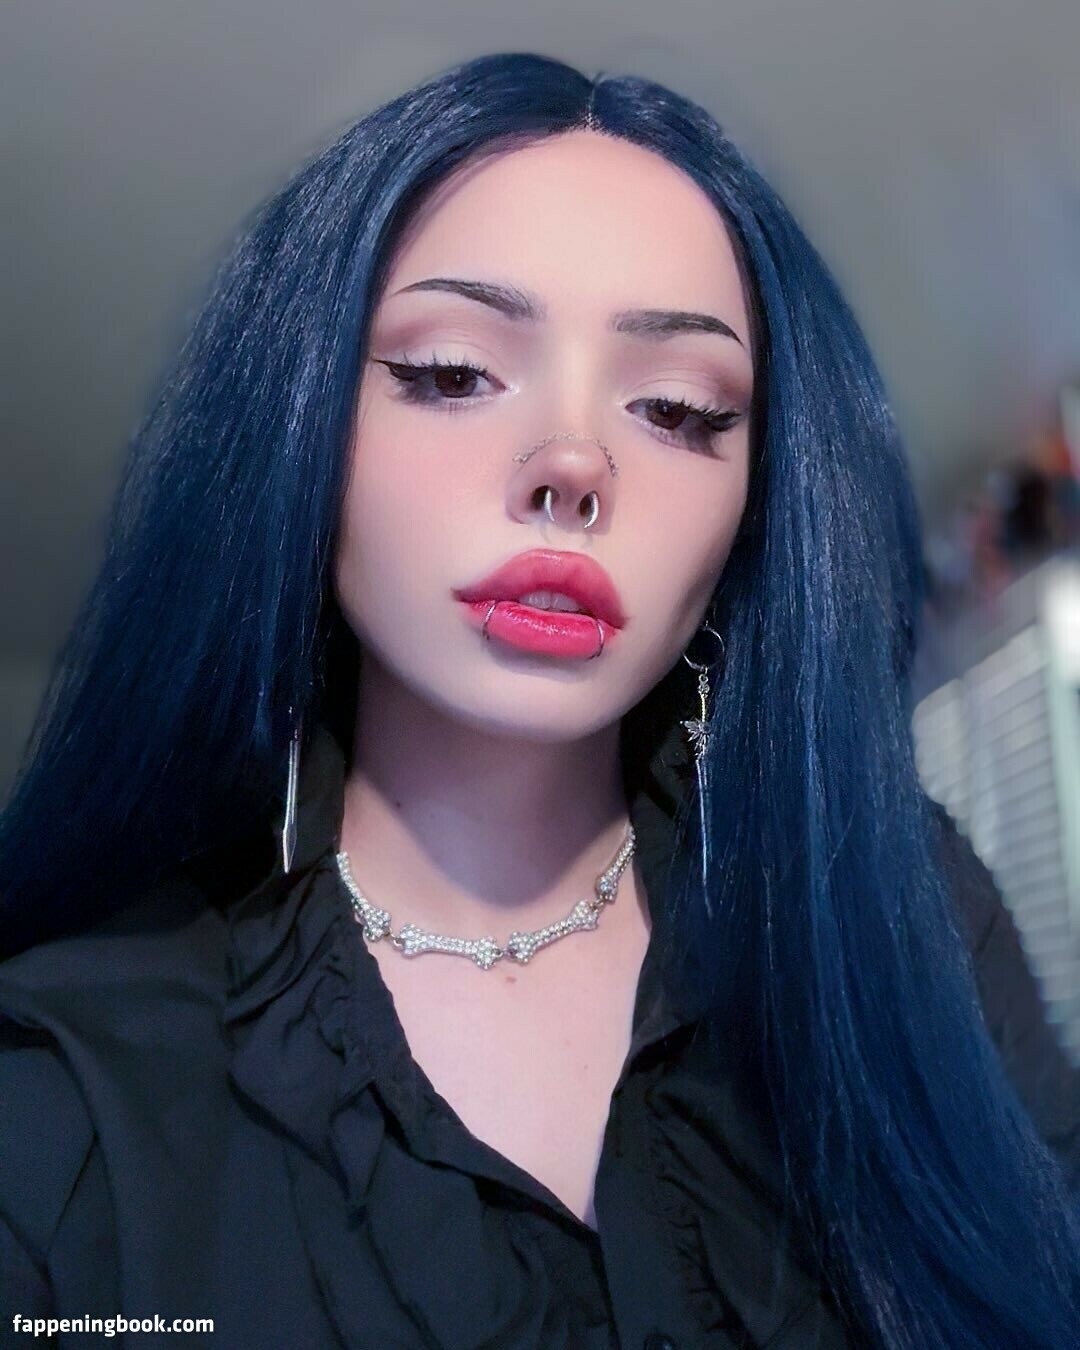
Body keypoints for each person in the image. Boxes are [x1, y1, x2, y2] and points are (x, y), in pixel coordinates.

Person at [1, 52, 1077, 1350]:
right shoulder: (65, 1096)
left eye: (677, 408)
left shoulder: (912, 914)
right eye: (454, 373)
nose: (573, 462)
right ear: (299, 428)